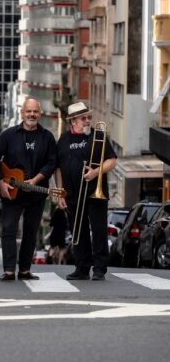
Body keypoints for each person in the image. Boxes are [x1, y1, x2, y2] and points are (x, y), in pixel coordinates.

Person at [0, 98, 57, 281]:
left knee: (31, 231)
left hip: (37, 192)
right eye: (28, 111)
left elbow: (52, 162)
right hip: (12, 191)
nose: (32, 115)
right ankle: (9, 270)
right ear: (22, 113)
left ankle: (25, 270)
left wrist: (36, 179)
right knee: (9, 230)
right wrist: (0, 183)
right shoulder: (8, 135)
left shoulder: (47, 137)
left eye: (35, 111)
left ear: (39, 114)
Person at [55, 102, 117, 281]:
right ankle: (81, 268)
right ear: (73, 121)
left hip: (94, 192)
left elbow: (112, 160)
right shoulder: (64, 139)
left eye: (89, 117)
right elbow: (58, 167)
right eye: (83, 118)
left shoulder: (98, 136)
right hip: (72, 194)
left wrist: (95, 172)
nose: (88, 121)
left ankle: (99, 269)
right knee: (78, 232)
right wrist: (59, 192)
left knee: (98, 230)